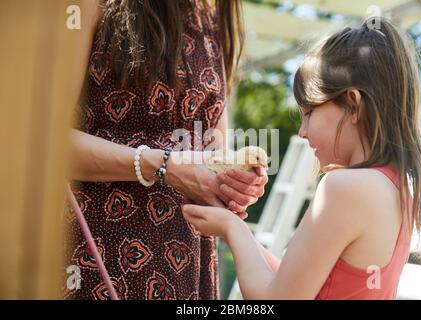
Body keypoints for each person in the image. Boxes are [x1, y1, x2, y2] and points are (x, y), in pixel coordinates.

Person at [182, 16, 421, 300]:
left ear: (353, 105)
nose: (302, 132)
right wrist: (234, 232)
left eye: (309, 113)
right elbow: (298, 283)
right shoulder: (398, 188)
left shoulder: (344, 188)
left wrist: (232, 227)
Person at [64, 0, 268, 300]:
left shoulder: (213, 17)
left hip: (189, 262)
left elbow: (213, 145)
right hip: (96, 254)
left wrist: (231, 183)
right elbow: (41, 140)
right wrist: (162, 165)